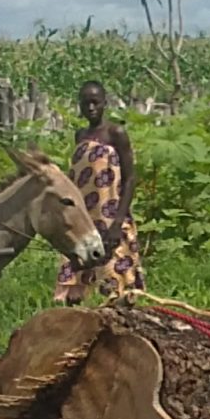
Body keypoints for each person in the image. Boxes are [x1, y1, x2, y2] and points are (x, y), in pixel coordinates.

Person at [52, 80, 144, 303]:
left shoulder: (116, 133)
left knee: (114, 285)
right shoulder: (80, 135)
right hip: (85, 219)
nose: (91, 108)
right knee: (76, 287)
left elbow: (130, 178)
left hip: (111, 217)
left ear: (105, 103)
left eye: (95, 102)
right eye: (85, 104)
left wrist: (118, 221)